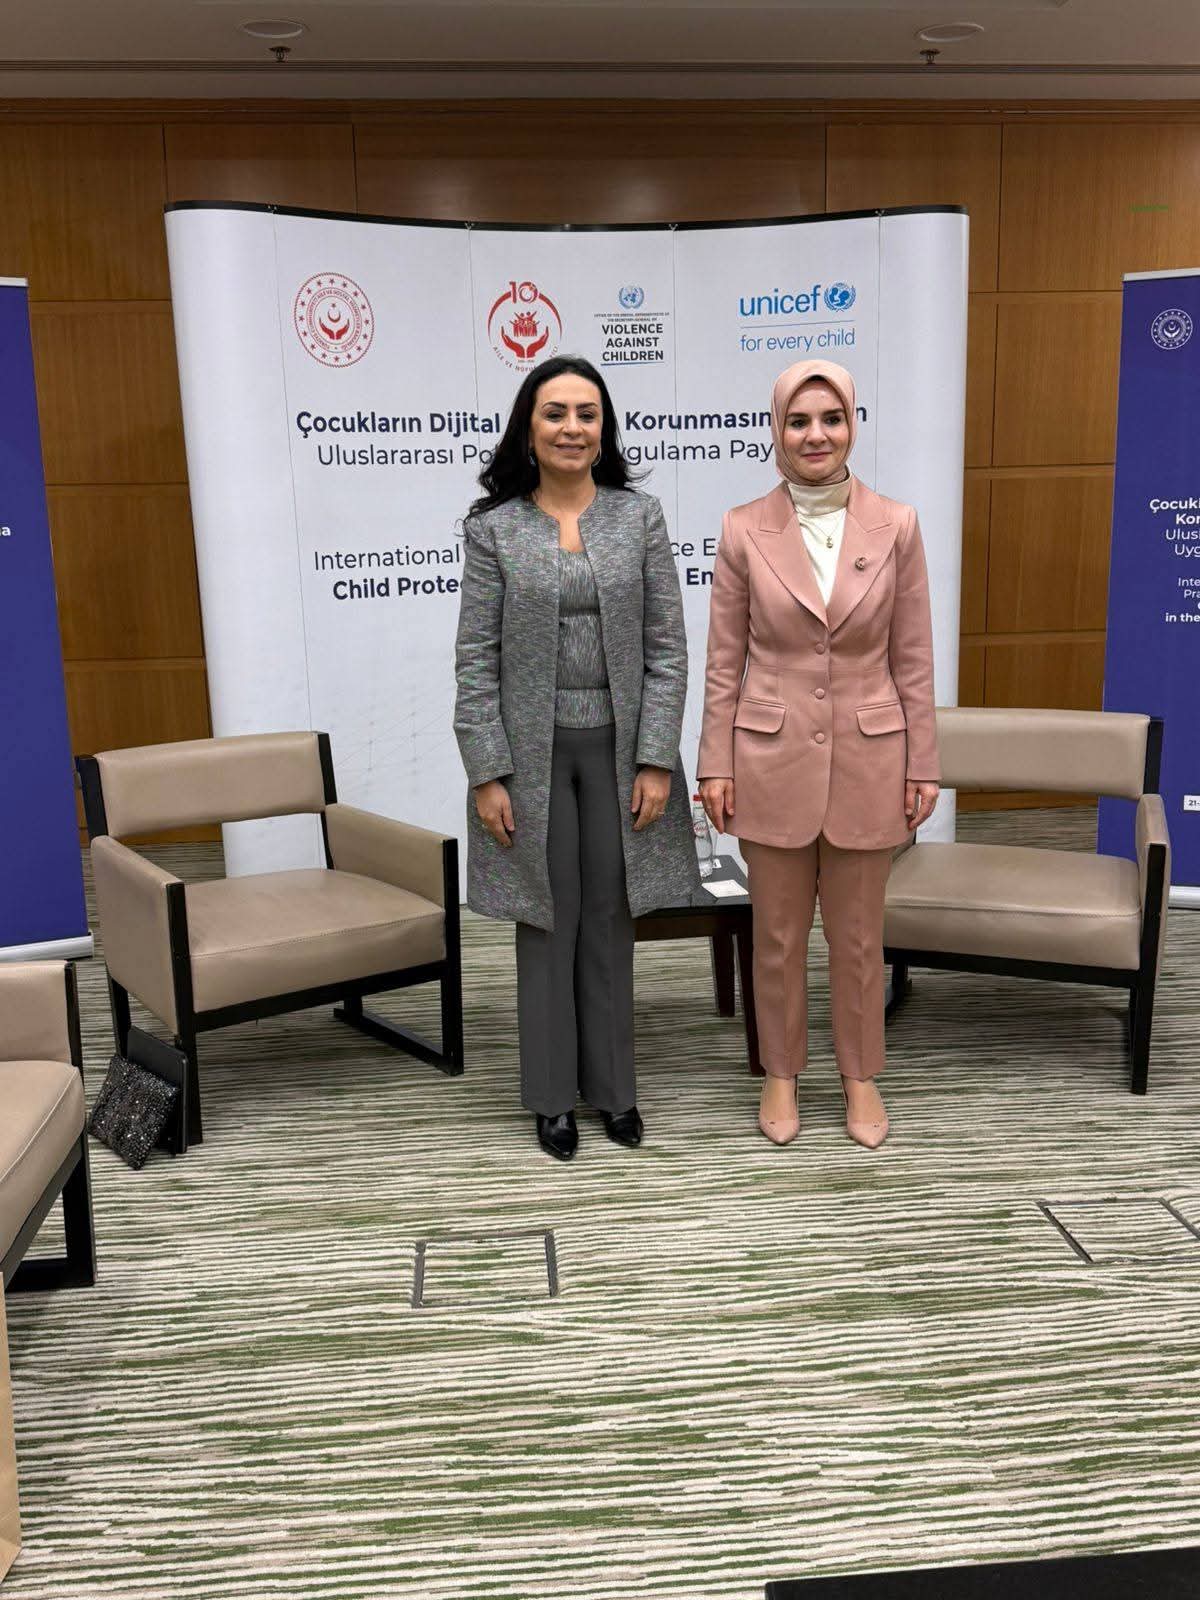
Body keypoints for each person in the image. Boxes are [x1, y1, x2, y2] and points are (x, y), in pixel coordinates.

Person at [454, 354, 701, 1162]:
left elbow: (667, 648)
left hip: (622, 753)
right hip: (531, 757)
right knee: (545, 917)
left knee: (609, 916)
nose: (571, 427)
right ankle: (551, 1097)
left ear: (604, 430)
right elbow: (475, 661)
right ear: (529, 428)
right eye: (555, 413)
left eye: (586, 414)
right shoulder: (493, 530)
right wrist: (488, 772)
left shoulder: (640, 517)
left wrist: (656, 759)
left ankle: (615, 1092)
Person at [697, 360, 939, 1149]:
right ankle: (781, 1071)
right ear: (777, 429)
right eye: (798, 421)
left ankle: (861, 1075)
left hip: (872, 758)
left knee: (859, 937)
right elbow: (723, 663)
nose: (815, 435)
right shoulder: (742, 528)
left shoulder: (897, 525)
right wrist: (715, 762)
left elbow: (913, 659)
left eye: (831, 419)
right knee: (777, 936)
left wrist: (923, 762)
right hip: (768, 760)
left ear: (852, 426)